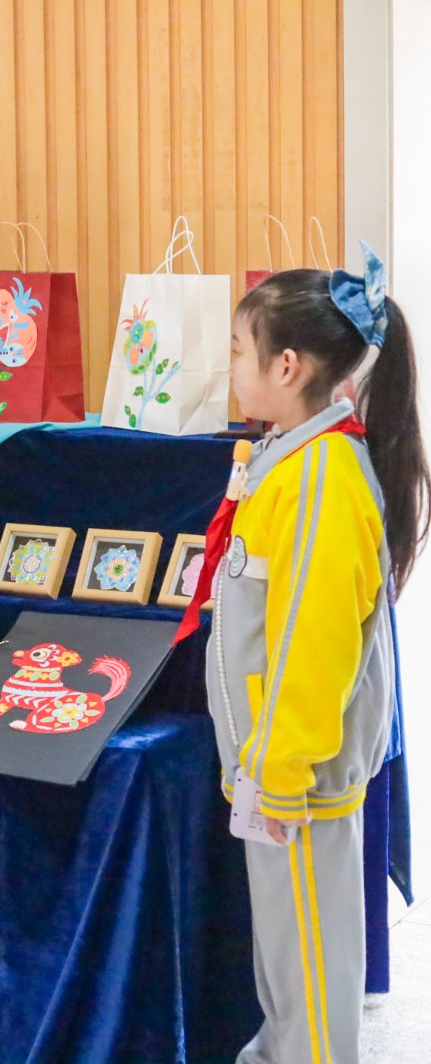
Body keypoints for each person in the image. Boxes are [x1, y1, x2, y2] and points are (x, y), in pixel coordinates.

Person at [192, 243, 428, 1064]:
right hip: (274, 770)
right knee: (288, 972)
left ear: (286, 366)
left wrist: (281, 774)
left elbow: (310, 644)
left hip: (296, 780)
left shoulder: (321, 479)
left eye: (237, 350)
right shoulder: (291, 458)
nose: (230, 366)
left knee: (311, 979)